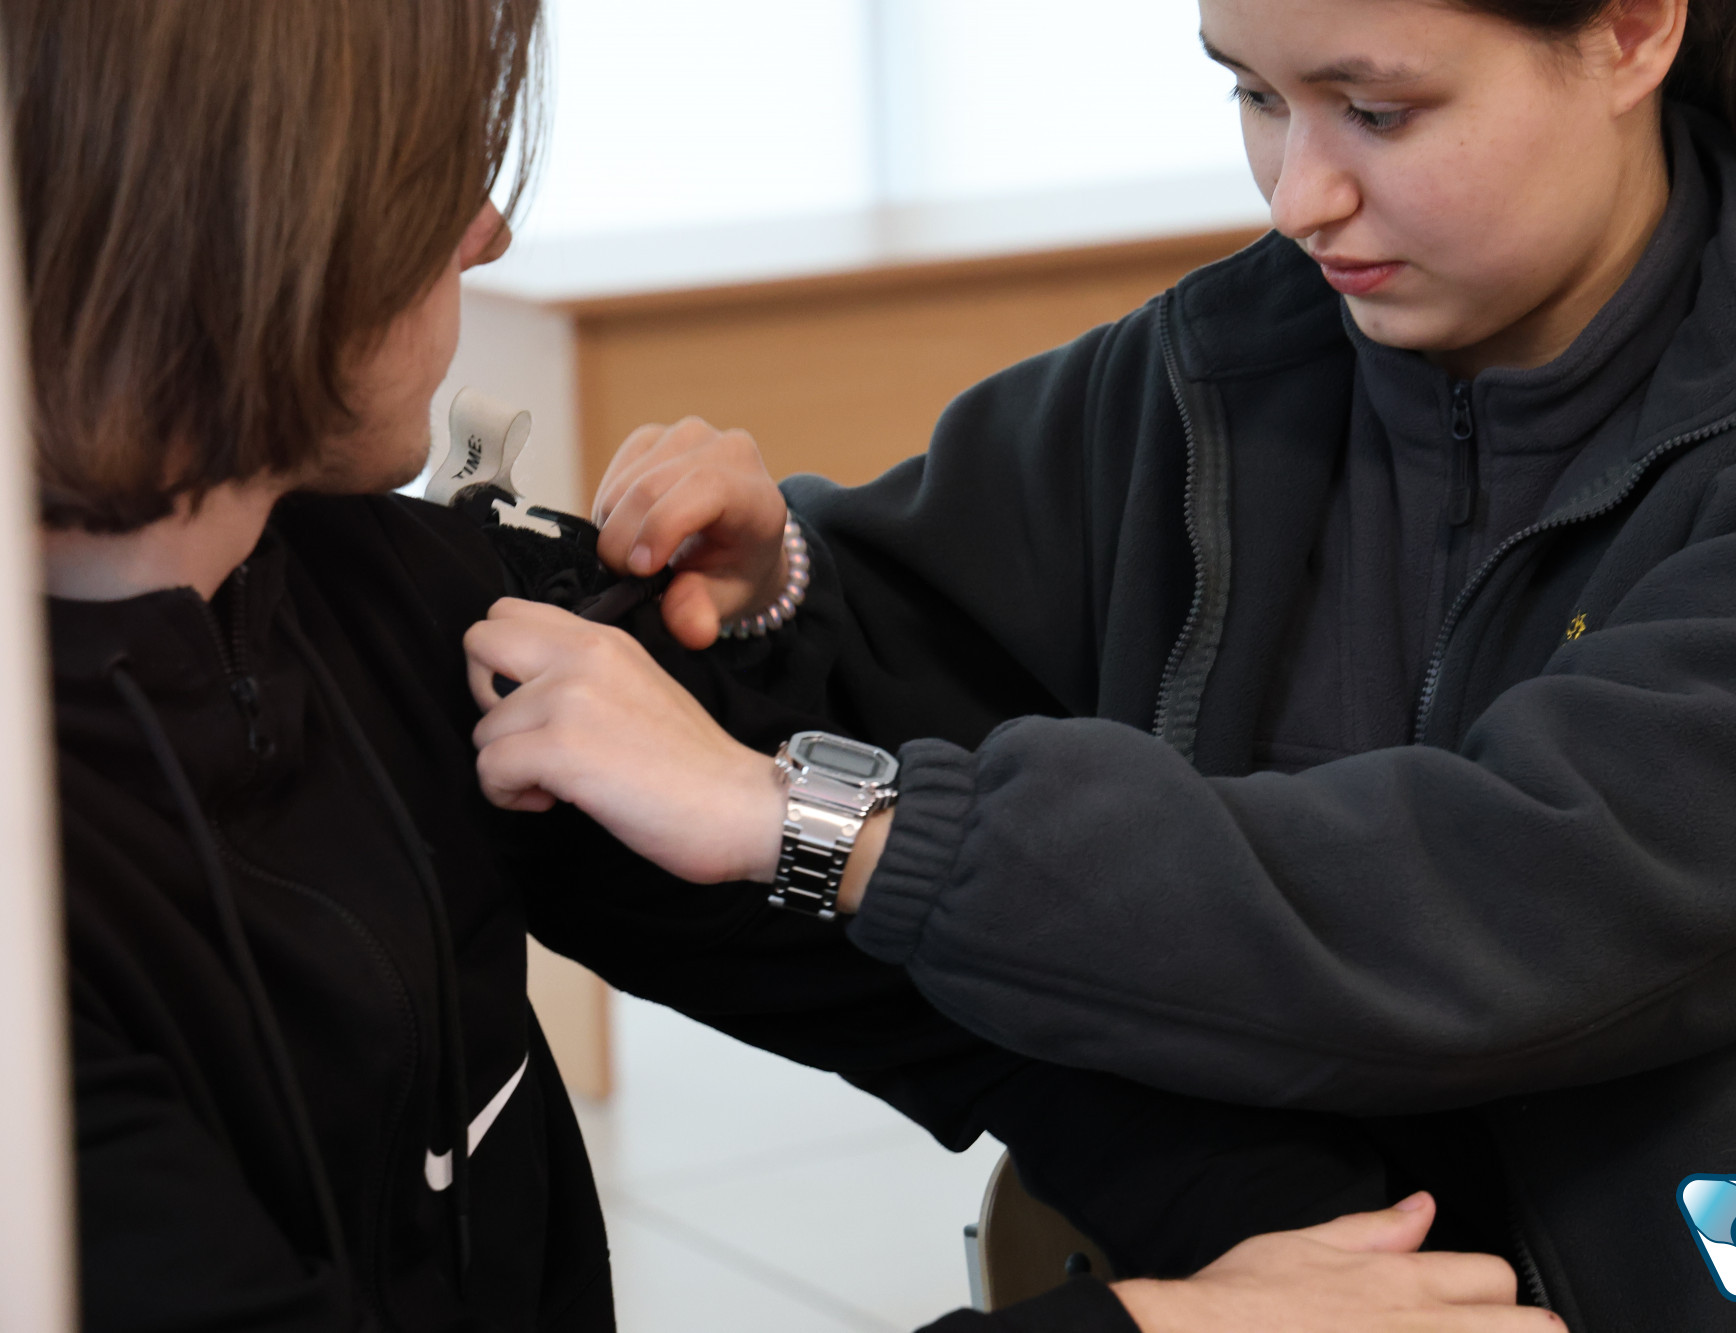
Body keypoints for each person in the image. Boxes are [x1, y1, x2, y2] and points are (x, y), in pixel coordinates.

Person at [27, 1, 1567, 1331]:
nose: (485, 231)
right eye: (435, 178)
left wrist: (1330, 1247)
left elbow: (977, 986)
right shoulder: (41, 921)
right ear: (256, 222)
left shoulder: (408, 603)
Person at [466, 0, 1736, 1325]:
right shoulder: (1205, 379)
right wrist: (770, 598)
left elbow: (1490, 906)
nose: (1298, 194)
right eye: (1255, 95)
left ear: (1633, 30)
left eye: (1377, 111)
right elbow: (922, 655)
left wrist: (821, 821)